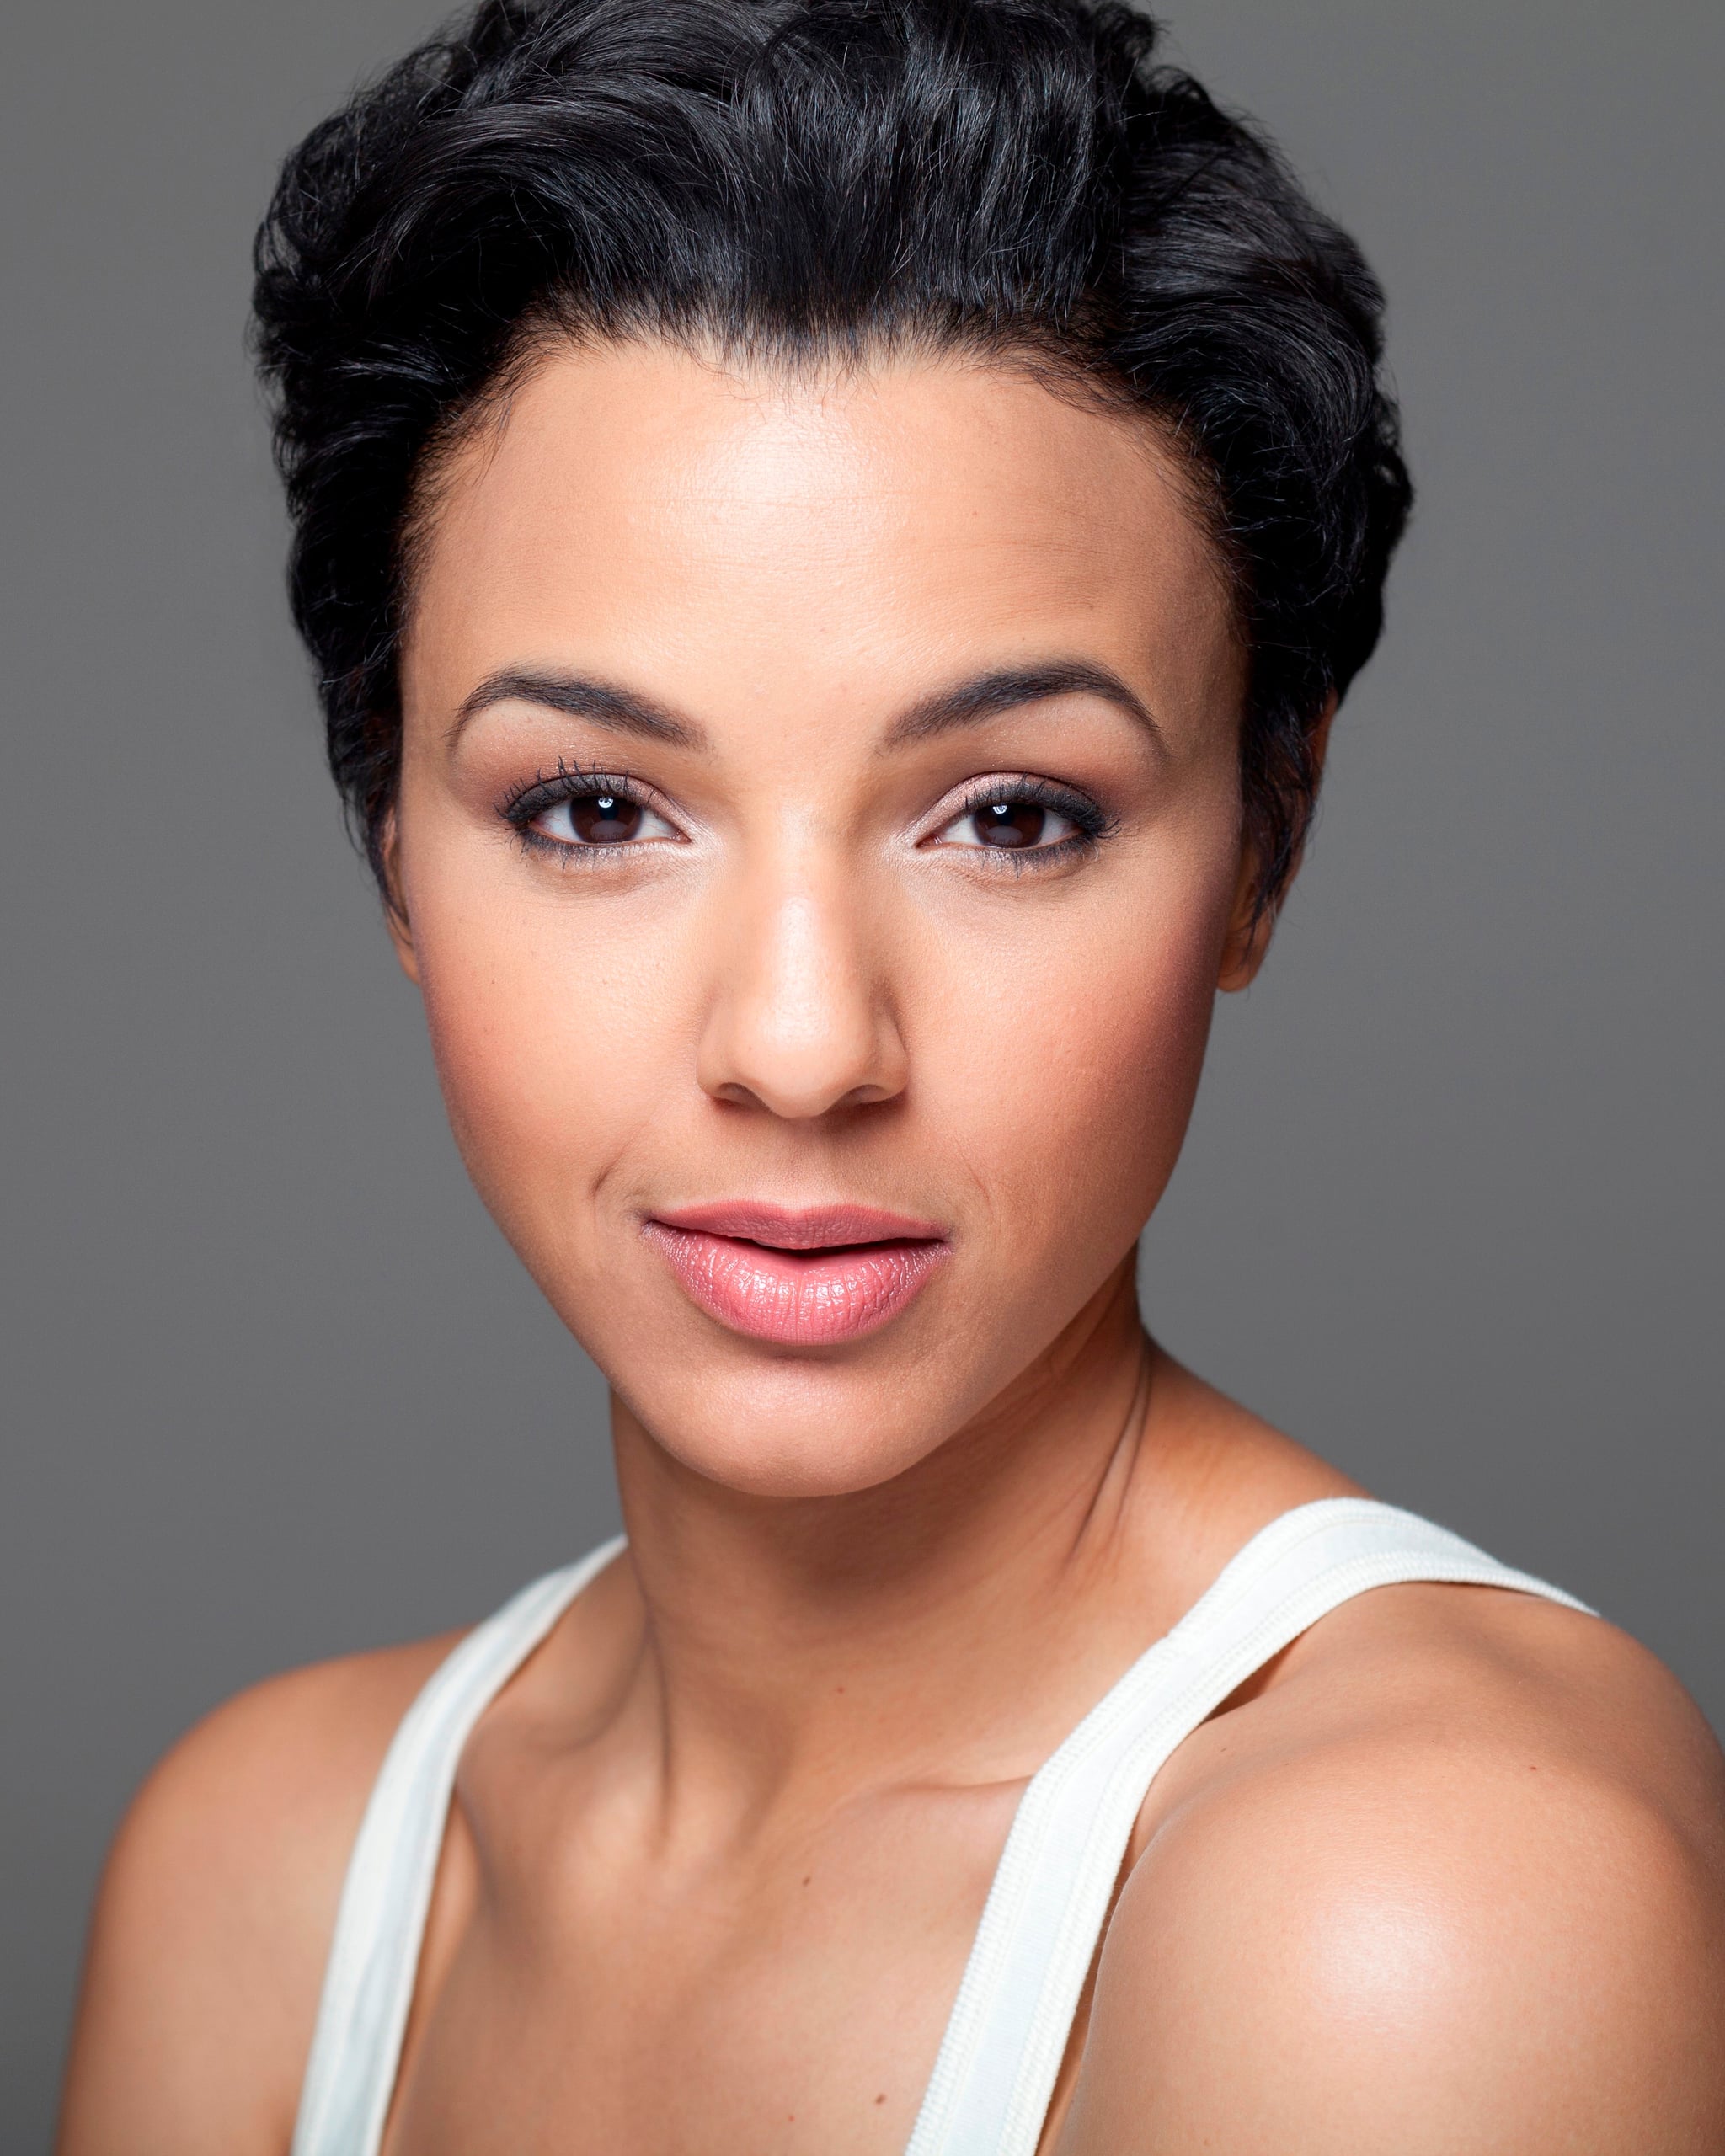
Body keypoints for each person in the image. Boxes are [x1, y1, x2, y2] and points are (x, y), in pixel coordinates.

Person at [56, 2, 1725, 2149]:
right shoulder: (263, 1876)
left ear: (1265, 840)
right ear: (391, 833)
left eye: (1011, 815)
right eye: (594, 808)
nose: (800, 1044)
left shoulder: (1421, 1906)